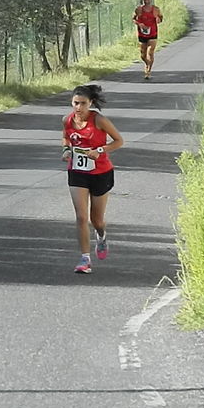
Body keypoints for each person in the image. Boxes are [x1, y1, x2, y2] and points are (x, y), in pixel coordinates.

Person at [62, 85, 124, 274]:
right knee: (81, 217)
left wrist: (99, 151)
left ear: (91, 103)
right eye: (75, 103)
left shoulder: (99, 120)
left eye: (83, 104)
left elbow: (119, 141)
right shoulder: (67, 120)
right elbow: (66, 137)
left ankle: (101, 234)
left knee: (96, 219)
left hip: (100, 173)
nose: (78, 107)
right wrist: (65, 149)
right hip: (77, 172)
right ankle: (85, 259)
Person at [133, 0, 163, 80]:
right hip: (142, 34)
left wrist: (158, 19)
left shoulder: (156, 9)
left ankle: (148, 71)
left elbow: (161, 18)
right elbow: (134, 19)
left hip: (153, 33)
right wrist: (139, 24)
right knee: (142, 55)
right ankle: (147, 63)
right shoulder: (139, 9)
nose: (147, 1)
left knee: (150, 52)